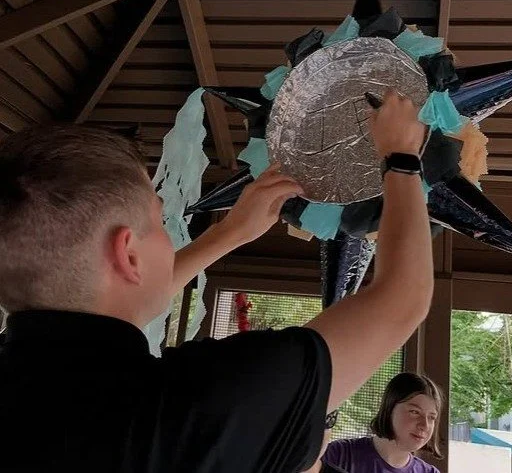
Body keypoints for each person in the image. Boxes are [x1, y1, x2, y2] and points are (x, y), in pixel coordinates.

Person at [0, 90, 434, 472]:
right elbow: (402, 299)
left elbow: (114, 295)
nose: (168, 236)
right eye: (159, 220)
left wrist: (229, 233)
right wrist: (401, 157)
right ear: (129, 253)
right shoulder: (195, 404)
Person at [323, 373, 443, 473]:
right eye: (415, 412)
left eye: (432, 418)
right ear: (389, 409)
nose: (425, 425)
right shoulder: (338, 455)